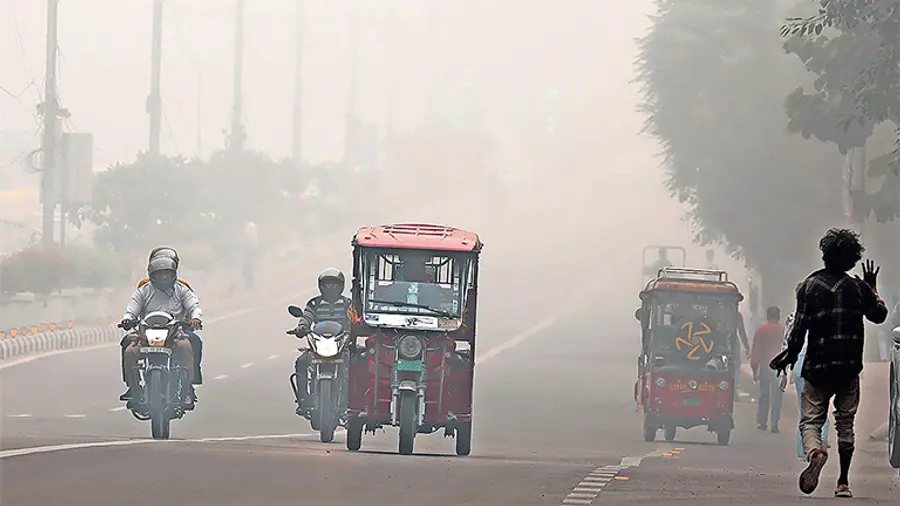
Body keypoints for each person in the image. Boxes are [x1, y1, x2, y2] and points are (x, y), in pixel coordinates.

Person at [771, 228, 888, 498]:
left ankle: (816, 452)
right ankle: (843, 483)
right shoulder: (858, 289)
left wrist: (788, 357)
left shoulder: (808, 287)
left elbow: (798, 330)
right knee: (845, 422)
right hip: (848, 368)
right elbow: (879, 316)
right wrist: (872, 288)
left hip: (817, 368)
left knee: (811, 421)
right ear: (852, 259)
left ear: (824, 255)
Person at [120, 247, 204, 399]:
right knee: (129, 349)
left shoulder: (182, 289)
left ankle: (188, 386)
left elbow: (194, 306)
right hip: (146, 336)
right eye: (160, 273)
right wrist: (127, 318)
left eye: (167, 273)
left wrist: (195, 318)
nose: (164, 277)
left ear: (173, 273)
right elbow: (132, 308)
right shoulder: (143, 290)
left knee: (188, 346)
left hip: (175, 335)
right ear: (152, 274)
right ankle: (133, 386)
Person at [290, 268, 351, 415]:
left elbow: (354, 319)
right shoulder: (314, 303)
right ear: (320, 285)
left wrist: (356, 327)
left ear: (341, 286)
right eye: (327, 284)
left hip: (342, 346)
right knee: (302, 361)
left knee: (359, 362)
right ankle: (304, 400)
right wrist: (301, 327)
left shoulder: (348, 304)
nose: (330, 288)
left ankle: (353, 402)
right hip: (319, 345)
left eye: (334, 284)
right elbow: (306, 317)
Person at [780, 296, 832, 460]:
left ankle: (804, 452)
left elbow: (786, 344)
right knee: (820, 408)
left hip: (800, 364)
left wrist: (783, 372)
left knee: (804, 411)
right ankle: (820, 442)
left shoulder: (793, 317)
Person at [751, 306, 785, 432]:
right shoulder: (783, 330)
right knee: (777, 396)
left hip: (765, 366)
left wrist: (755, 370)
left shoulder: (761, 330)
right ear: (778, 316)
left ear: (767, 316)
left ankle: (762, 422)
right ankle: (774, 423)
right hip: (779, 367)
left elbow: (756, 351)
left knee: (764, 394)